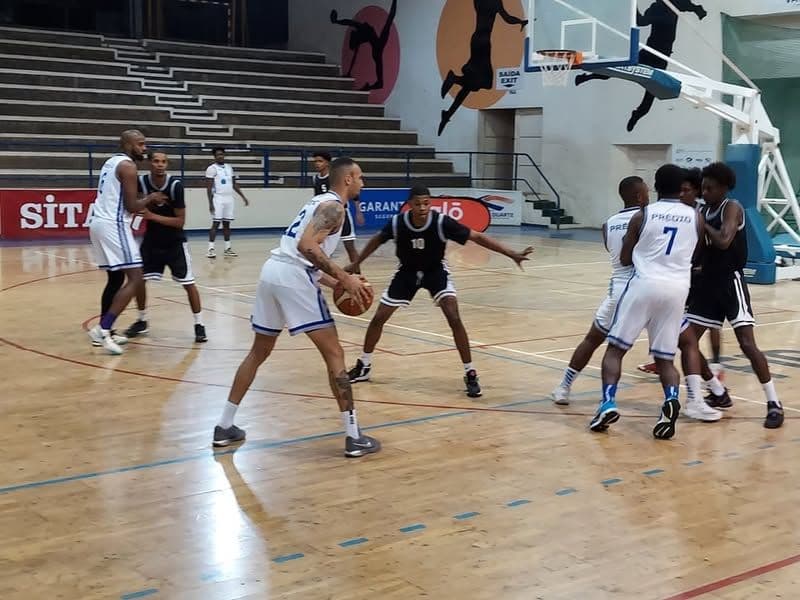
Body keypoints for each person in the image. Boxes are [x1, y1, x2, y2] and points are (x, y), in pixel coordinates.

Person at [212, 157, 381, 458]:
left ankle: (224, 425)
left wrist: (339, 283)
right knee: (335, 353)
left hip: (273, 271)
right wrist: (345, 278)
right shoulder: (334, 207)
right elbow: (307, 248)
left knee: (259, 351)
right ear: (347, 180)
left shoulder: (318, 201)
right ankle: (354, 436)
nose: (363, 183)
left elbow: (301, 256)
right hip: (293, 276)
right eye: (360, 177)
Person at [347, 182, 533, 397]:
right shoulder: (398, 223)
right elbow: (376, 240)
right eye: (418, 204)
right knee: (379, 317)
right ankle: (364, 365)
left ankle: (470, 372)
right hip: (406, 273)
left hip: (435, 271)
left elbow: (478, 237)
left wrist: (512, 254)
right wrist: (357, 262)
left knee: (454, 317)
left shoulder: (441, 222)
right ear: (410, 205)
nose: (423, 208)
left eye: (426, 203)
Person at [591, 164, 702, 439]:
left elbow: (626, 258)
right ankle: (671, 399)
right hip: (677, 290)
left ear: (655, 187)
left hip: (644, 285)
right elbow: (695, 255)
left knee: (615, 350)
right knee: (665, 358)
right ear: (681, 189)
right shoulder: (695, 217)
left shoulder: (643, 215)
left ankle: (607, 403)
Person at [685, 162, 784, 428]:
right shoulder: (703, 210)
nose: (704, 192)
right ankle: (717, 391)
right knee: (686, 341)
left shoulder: (732, 208)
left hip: (731, 282)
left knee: (747, 345)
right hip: (707, 283)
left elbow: (724, 240)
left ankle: (774, 403)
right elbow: (701, 249)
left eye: (710, 188)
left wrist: (701, 223)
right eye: (702, 188)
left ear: (725, 187)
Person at [551, 176, 649, 405]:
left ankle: (563, 387)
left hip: (617, 290)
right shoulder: (647, 218)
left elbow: (612, 251)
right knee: (685, 341)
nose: (648, 194)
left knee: (592, 339)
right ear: (639, 195)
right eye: (646, 191)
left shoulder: (608, 223)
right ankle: (704, 391)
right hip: (644, 287)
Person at [638, 167, 724, 380]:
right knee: (669, 320)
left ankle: (717, 365)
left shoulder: (699, 214)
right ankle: (662, 360)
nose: (683, 193)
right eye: (681, 190)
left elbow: (710, 245)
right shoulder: (673, 212)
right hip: (681, 276)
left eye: (687, 190)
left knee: (709, 322)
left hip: (703, 275)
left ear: (695, 191)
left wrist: (701, 265)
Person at [87, 130, 165, 355]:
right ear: (128, 145)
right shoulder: (129, 167)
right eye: (140, 144)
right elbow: (132, 206)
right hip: (113, 224)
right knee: (136, 278)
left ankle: (105, 331)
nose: (144, 148)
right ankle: (103, 329)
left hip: (98, 223)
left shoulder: (111, 162)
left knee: (115, 279)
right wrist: (150, 198)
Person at [575, 0, 707, 131]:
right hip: (650, 52)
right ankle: (586, 77)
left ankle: (637, 114)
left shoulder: (675, 3)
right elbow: (641, 21)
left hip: (662, 56)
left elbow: (691, 6)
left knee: (650, 95)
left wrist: (699, 11)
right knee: (620, 69)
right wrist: (634, 5)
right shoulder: (657, 7)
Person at [124, 151, 207, 344]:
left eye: (163, 162)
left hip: (174, 241)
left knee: (188, 283)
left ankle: (199, 324)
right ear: (149, 163)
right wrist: (146, 201)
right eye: (156, 161)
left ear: (167, 164)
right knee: (139, 281)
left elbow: (180, 222)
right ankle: (142, 320)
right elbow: (134, 205)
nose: (160, 165)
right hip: (151, 241)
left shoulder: (176, 186)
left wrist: (153, 216)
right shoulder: (141, 183)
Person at [438, 0, 527, 135]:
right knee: (485, 83)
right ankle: (454, 79)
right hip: (484, 42)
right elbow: (507, 18)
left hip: (475, 40)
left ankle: (448, 114)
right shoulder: (496, 2)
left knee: (470, 85)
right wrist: (520, 22)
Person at [312, 150, 365, 273]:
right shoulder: (315, 178)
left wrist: (358, 212)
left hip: (342, 213)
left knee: (350, 246)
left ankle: (358, 275)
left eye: (320, 161)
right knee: (321, 247)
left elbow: (352, 193)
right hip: (325, 216)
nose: (317, 164)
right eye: (315, 161)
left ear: (327, 163)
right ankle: (321, 274)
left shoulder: (334, 177)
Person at [330, 0, 398, 91]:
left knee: (384, 24)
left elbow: (351, 23)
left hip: (373, 41)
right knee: (386, 24)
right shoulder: (370, 38)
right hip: (374, 42)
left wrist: (337, 21)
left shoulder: (367, 33)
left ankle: (363, 84)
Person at [206, 147, 249, 258]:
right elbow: (209, 187)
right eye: (218, 154)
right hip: (218, 198)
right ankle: (210, 249)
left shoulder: (229, 168)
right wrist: (210, 203)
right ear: (214, 156)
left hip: (229, 199)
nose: (220, 156)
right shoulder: (211, 169)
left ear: (224, 155)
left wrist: (243, 197)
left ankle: (227, 248)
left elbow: (234, 184)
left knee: (227, 224)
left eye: (222, 154)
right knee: (216, 223)